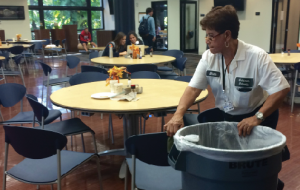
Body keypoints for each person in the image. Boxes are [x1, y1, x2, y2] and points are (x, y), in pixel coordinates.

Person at [164, 6, 289, 189]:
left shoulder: (256, 57)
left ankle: (272, 184)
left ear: (227, 35)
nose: (207, 41)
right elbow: (193, 89)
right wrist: (178, 114)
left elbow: (281, 90)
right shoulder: (209, 57)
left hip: (259, 116)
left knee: (253, 167)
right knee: (233, 167)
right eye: (206, 35)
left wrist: (257, 118)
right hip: (229, 116)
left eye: (211, 36)